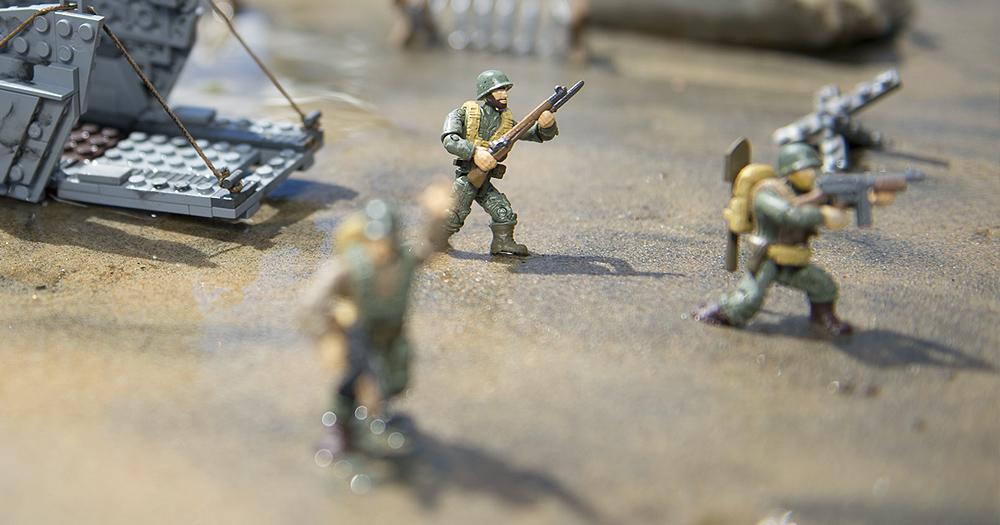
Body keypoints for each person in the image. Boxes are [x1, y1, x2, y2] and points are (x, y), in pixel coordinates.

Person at [305, 187, 450, 461]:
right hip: (362, 332)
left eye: (387, 238)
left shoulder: (405, 260)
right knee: (357, 378)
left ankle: (377, 416)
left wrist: (437, 216)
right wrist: (327, 337)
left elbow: (433, 245)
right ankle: (340, 427)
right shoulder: (350, 266)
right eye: (375, 238)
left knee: (395, 379)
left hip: (393, 332)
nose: (381, 246)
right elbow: (311, 304)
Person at [695, 143, 854, 337]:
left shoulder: (806, 193)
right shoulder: (766, 193)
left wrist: (860, 197)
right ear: (789, 171)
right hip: (767, 257)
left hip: (792, 258)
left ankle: (823, 318)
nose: (810, 175)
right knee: (748, 299)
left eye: (812, 169)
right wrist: (822, 214)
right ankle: (717, 312)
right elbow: (788, 215)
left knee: (823, 286)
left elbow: (831, 201)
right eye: (804, 170)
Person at [440, 69, 559, 255]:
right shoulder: (463, 114)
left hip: (485, 179)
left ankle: (503, 243)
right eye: (499, 90)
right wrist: (474, 152)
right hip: (468, 177)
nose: (505, 95)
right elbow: (449, 139)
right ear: (487, 92)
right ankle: (435, 241)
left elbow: (536, 134)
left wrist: (547, 125)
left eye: (505, 90)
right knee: (453, 215)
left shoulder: (506, 122)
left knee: (503, 211)